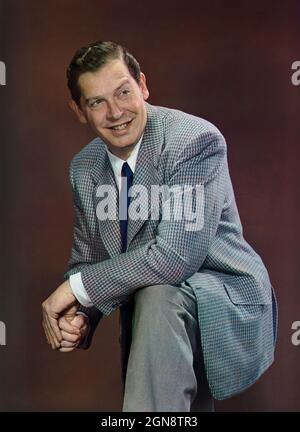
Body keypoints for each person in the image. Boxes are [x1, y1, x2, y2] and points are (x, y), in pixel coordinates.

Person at [42, 41, 278, 412]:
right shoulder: (84, 168)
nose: (115, 112)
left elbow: (174, 259)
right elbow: (87, 263)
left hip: (222, 299)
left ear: (143, 86)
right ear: (79, 111)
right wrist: (81, 314)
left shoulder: (192, 140)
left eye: (123, 92)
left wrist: (76, 289)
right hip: (156, 322)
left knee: (158, 295)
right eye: (97, 102)